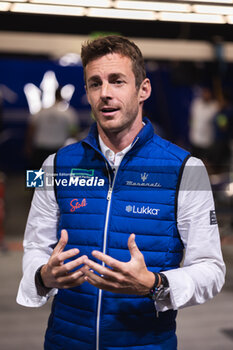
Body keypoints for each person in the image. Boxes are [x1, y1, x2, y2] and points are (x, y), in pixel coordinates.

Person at [17, 36, 225, 350]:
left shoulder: (187, 168)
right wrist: (44, 274)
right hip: (65, 341)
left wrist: (155, 285)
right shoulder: (56, 164)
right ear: (86, 92)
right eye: (95, 83)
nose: (106, 94)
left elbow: (211, 268)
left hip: (145, 344)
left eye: (117, 81)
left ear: (143, 89)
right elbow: (35, 245)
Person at [25, 86, 79, 169]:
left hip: (40, 149)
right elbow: (73, 132)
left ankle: (34, 182)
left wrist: (28, 146)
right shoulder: (69, 113)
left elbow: (31, 130)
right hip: (59, 150)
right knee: (56, 178)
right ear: (61, 96)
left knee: (35, 178)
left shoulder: (40, 112)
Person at [188, 85, 219, 166]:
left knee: (205, 165)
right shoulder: (196, 103)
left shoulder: (215, 106)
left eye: (208, 92)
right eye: (204, 92)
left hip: (207, 141)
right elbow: (191, 117)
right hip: (195, 139)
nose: (206, 94)